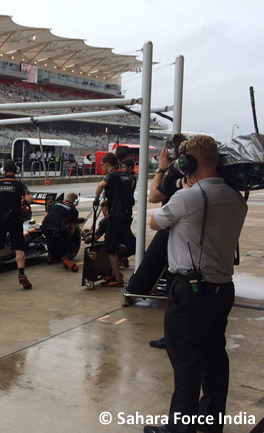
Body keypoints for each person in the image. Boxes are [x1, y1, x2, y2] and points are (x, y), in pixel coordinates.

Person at [143, 135, 247, 433]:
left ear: (188, 163)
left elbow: (154, 222)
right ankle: (211, 419)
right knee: (214, 356)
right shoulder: (235, 199)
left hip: (190, 291)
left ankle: (180, 427)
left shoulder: (188, 197)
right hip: (222, 289)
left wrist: (183, 188)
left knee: (186, 362)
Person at [125, 134, 187, 349]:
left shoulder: (176, 174)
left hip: (174, 229)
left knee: (174, 282)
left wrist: (161, 169)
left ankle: (173, 338)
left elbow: (153, 197)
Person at [0, 159, 34, 289]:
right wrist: (24, 202)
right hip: (15, 219)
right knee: (19, 247)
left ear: (3, 170)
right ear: (16, 170)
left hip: (0, 219)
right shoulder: (19, 184)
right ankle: (21, 273)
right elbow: (30, 198)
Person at [93, 152, 134, 287]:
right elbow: (132, 184)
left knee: (109, 248)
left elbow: (100, 185)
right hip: (127, 216)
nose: (102, 167)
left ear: (108, 164)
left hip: (116, 216)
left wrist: (96, 199)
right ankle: (115, 271)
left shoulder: (112, 175)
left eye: (103, 165)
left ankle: (117, 277)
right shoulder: (126, 176)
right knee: (115, 243)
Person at [40, 192, 79, 272]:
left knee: (50, 236)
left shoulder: (55, 203)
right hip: (57, 229)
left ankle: (51, 256)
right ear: (74, 201)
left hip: (44, 227)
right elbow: (72, 226)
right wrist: (70, 236)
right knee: (65, 243)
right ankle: (66, 258)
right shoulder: (73, 210)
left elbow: (46, 215)